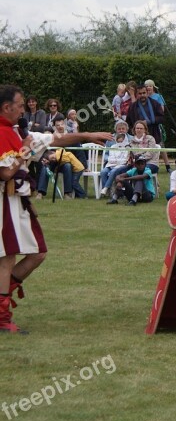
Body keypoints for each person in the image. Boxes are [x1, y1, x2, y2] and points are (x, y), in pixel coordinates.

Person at [0, 84, 111, 333]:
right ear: (7, 107)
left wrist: (87, 135)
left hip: (17, 201)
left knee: (37, 253)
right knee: (6, 257)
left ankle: (2, 300)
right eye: (19, 106)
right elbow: (6, 172)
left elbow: (56, 138)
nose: (23, 110)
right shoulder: (3, 134)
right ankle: (2, 317)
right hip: (3, 203)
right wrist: (25, 150)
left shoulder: (19, 132)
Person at [144, 79, 171, 172]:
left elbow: (162, 111)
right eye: (146, 86)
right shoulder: (143, 98)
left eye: (150, 86)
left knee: (160, 144)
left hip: (156, 124)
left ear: (153, 87)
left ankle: (168, 166)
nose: (148, 88)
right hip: (146, 125)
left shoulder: (158, 96)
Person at [100, 132, 132, 197]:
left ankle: (106, 188)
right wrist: (116, 161)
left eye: (121, 141)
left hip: (121, 166)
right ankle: (107, 191)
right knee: (103, 172)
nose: (120, 143)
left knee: (113, 171)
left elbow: (125, 160)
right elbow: (110, 158)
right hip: (110, 165)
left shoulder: (128, 148)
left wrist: (116, 161)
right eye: (118, 141)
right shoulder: (113, 147)